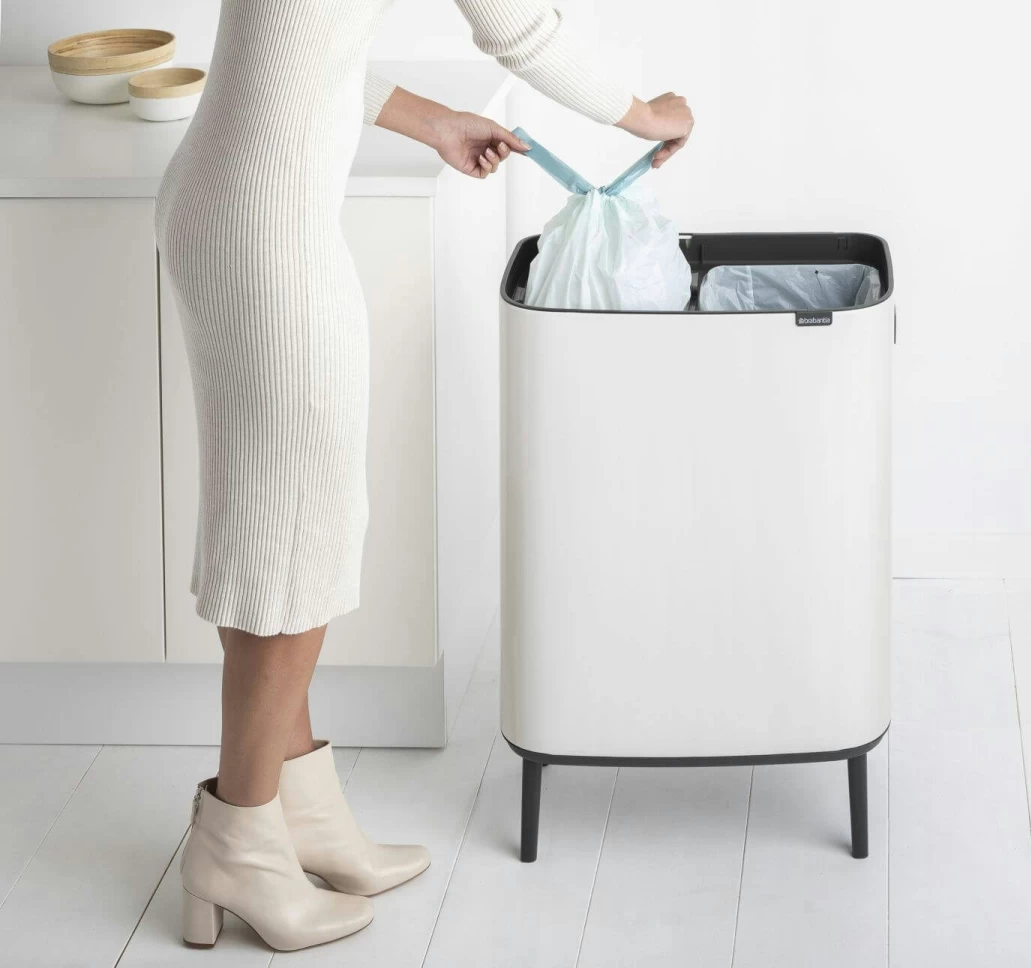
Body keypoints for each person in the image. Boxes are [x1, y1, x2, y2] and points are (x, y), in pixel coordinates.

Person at [154, 0, 691, 951]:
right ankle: (237, 841)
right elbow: (520, 29)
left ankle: (297, 812)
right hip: (268, 234)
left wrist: (434, 121)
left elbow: (294, 53)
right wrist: (651, 114)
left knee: (274, 521)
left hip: (227, 205)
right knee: (296, 535)